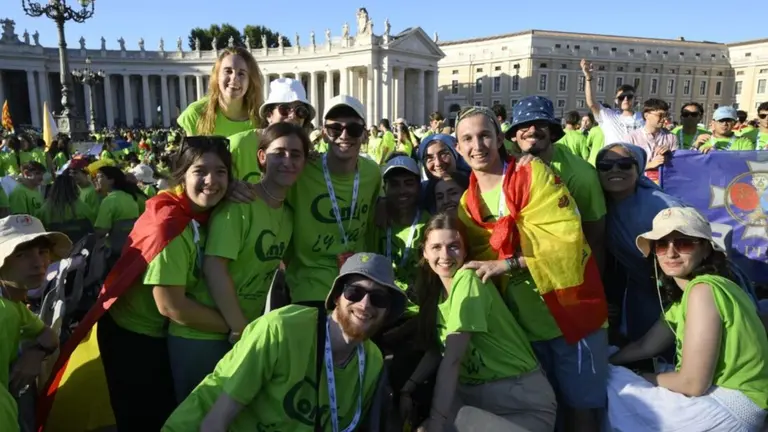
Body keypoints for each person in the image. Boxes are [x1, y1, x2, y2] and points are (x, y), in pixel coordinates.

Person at [454, 104, 607, 432]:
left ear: (499, 140)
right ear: (458, 147)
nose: (476, 145)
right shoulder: (467, 205)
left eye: (484, 135)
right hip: (520, 326)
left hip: (569, 311)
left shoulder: (533, 173)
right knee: (545, 412)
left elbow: (569, 240)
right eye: (467, 138)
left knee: (582, 411)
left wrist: (506, 264)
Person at [162, 252, 407, 432]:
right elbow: (215, 422)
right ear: (335, 297)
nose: (365, 305)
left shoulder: (371, 361)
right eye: (355, 292)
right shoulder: (281, 329)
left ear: (388, 312)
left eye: (379, 299)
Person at [93, 137, 233, 430]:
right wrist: (238, 327)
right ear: (182, 174)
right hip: (135, 339)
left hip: (151, 333)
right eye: (200, 171)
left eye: (221, 171)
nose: (212, 180)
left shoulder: (195, 210)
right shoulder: (169, 222)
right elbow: (172, 305)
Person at [166, 123, 309, 401]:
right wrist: (241, 329)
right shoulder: (239, 205)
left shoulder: (288, 214)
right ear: (261, 158)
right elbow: (214, 268)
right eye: (279, 153)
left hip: (237, 331)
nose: (288, 161)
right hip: (201, 337)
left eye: (296, 154)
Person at [607, 207, 768, 431]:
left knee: (608, 386)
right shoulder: (698, 293)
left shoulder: (702, 290)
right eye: (662, 245)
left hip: (727, 407)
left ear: (705, 250)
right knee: (610, 375)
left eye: (683, 243)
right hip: (739, 404)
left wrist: (637, 376)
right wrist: (607, 362)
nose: (671, 253)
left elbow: (693, 384)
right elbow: (645, 346)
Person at [403, 214, 556, 432]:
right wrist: (408, 388)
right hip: (472, 397)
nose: (445, 255)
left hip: (518, 402)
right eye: (436, 247)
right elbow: (440, 349)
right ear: (424, 252)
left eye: (453, 246)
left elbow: (453, 359)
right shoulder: (436, 293)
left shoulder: (469, 280)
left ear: (466, 251)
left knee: (449, 424)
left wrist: (437, 423)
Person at [283, 95, 381, 307]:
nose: (344, 135)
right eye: (335, 128)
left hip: (357, 280)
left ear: (365, 134)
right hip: (309, 284)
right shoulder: (301, 170)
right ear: (324, 133)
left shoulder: (373, 173)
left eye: (353, 129)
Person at [0, 215, 67, 432]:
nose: (38, 263)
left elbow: (48, 336)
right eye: (21, 255)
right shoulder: (4, 311)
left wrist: (35, 353)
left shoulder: (13, 304)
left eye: (43, 252)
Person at [177, 47, 263, 137]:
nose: (234, 78)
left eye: (241, 73)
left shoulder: (262, 116)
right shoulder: (196, 114)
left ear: (250, 80)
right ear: (217, 77)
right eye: (228, 71)